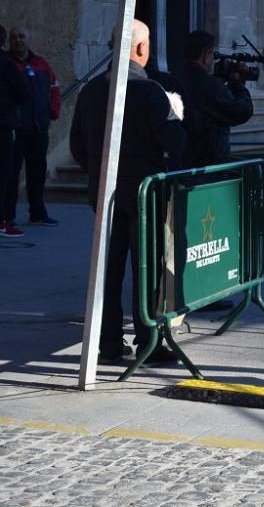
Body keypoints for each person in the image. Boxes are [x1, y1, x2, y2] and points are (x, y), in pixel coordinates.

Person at [70, 19, 186, 365]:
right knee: (146, 268)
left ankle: (107, 342)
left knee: (108, 269)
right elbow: (175, 141)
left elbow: (77, 145)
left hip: (105, 192)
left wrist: (99, 170)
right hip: (143, 195)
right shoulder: (149, 90)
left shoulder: (91, 90)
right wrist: (176, 115)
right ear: (140, 48)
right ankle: (148, 341)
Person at [4, 27, 60, 227]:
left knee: (37, 173)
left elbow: (54, 87)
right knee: (11, 173)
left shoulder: (41, 64)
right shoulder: (7, 64)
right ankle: (7, 216)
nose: (17, 41)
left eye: (21, 37)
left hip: (38, 128)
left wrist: (53, 111)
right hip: (16, 129)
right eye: (13, 38)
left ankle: (37, 212)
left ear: (29, 39)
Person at [177, 30, 254, 169]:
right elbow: (241, 111)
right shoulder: (208, 85)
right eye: (212, 54)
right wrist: (239, 86)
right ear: (205, 56)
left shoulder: (175, 78)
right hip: (207, 166)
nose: (213, 60)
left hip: (181, 162)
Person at [0, 25, 29, 237]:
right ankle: (2, 221)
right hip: (3, 125)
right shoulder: (6, 64)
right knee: (4, 174)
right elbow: (22, 93)